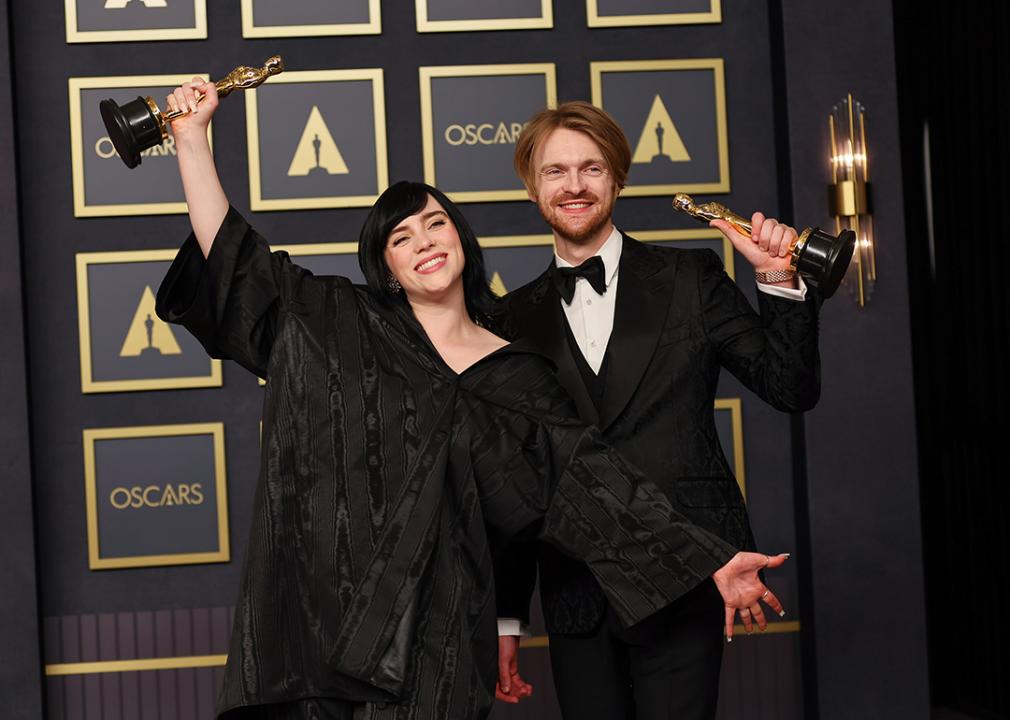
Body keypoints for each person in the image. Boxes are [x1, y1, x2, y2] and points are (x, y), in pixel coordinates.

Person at [155, 79, 785, 719]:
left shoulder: (517, 372)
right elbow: (239, 264)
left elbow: (592, 487)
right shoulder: (340, 324)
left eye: (435, 223)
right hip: (329, 623)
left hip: (444, 632)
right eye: (401, 237)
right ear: (386, 267)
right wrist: (191, 141)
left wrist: (709, 562)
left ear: (461, 238)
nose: (424, 241)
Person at [495, 101, 820, 719]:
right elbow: (512, 484)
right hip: (575, 589)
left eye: (590, 169)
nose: (573, 186)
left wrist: (780, 280)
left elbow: (790, 388)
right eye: (555, 171)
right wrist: (507, 615)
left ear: (616, 178)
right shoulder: (509, 320)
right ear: (532, 186)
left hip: (691, 574)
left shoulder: (690, 277)